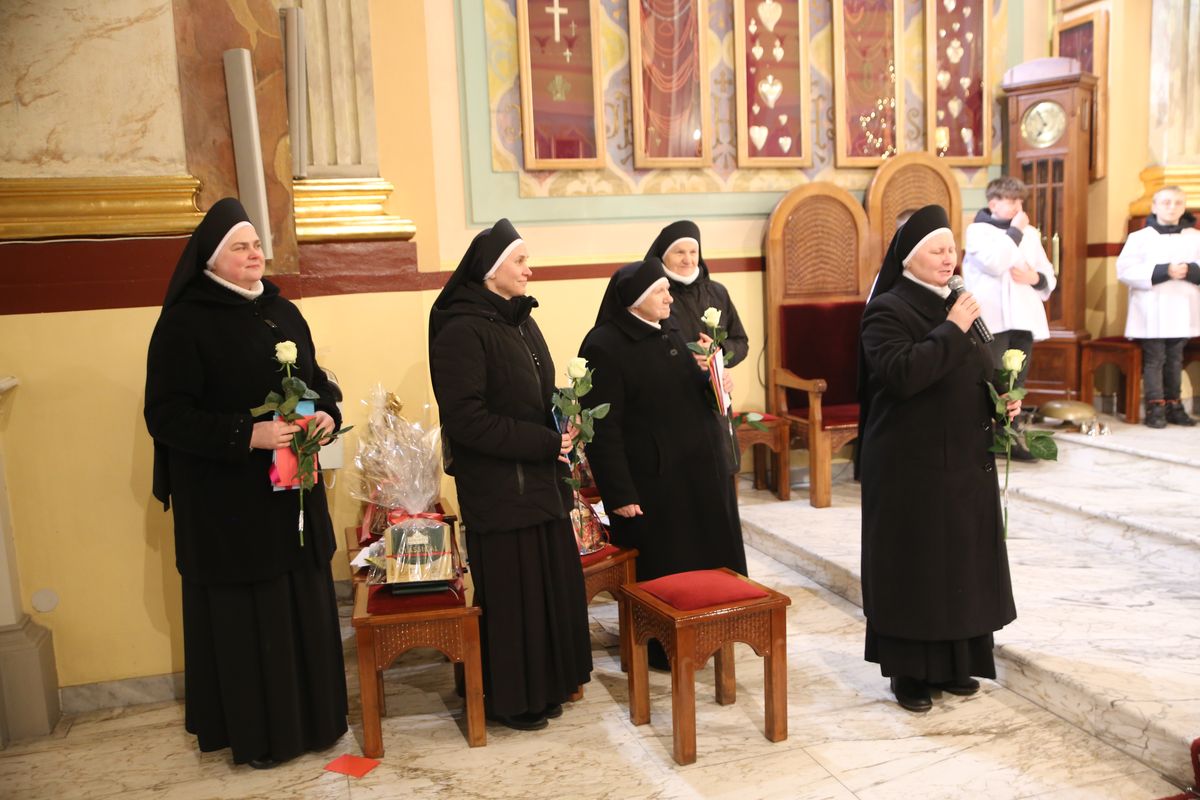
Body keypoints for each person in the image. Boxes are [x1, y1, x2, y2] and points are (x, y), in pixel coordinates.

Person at [144, 198, 347, 768]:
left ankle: (318, 722)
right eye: (241, 247)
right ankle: (264, 738)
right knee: (254, 619)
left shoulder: (283, 311)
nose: (255, 254)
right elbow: (166, 415)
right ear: (211, 258)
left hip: (292, 492)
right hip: (229, 506)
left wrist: (326, 414)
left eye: (257, 244)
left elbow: (316, 382)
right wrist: (246, 434)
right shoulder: (185, 322)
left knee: (301, 604)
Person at [428, 219, 592, 731]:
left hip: (539, 483)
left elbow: (534, 396)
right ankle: (514, 700)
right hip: (500, 491)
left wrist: (564, 422)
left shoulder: (521, 320)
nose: (528, 270)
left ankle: (547, 686)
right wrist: (544, 442)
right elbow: (467, 420)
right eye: (520, 261)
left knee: (545, 591)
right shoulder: (461, 329)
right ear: (491, 269)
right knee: (514, 599)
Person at [855, 205, 1019, 714]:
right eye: (938, 250)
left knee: (958, 565)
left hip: (963, 462)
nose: (950, 259)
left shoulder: (957, 303)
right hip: (911, 468)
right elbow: (903, 374)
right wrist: (951, 327)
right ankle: (909, 674)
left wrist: (1000, 398)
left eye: (952, 249)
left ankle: (955, 664)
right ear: (909, 258)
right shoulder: (887, 310)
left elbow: (978, 366)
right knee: (917, 568)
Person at [579, 258, 748, 669]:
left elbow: (693, 394)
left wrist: (717, 378)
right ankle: (663, 647)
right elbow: (602, 428)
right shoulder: (604, 345)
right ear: (635, 299)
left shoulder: (672, 330)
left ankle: (712, 635)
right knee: (667, 569)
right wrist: (619, 492)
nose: (670, 298)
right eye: (660, 291)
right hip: (653, 484)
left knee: (708, 561)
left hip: (699, 474)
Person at [963, 177, 1057, 459]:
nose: (1018, 206)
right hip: (992, 320)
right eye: (1011, 200)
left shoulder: (1029, 233)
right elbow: (994, 264)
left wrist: (1035, 278)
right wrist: (1015, 231)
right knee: (993, 381)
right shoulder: (977, 231)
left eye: (1020, 201)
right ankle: (981, 439)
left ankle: (1009, 439)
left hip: (1023, 317)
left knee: (1017, 382)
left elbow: (1046, 272)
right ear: (993, 203)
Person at [1116, 185, 1200, 428]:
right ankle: (1155, 407)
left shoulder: (1195, 237)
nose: (1172, 207)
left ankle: (1174, 405)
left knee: (1175, 359)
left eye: (1177, 203)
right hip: (1151, 308)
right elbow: (1125, 270)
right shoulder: (1140, 238)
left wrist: (1190, 270)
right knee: (1155, 359)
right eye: (1166, 202)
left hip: (1183, 306)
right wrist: (1165, 270)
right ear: (1154, 207)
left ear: (1184, 207)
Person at [645, 220, 750, 370]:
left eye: (693, 252)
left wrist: (719, 350)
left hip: (713, 383)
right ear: (663, 255)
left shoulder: (718, 292)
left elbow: (740, 342)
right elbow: (642, 352)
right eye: (680, 252)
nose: (688, 260)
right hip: (670, 383)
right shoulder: (651, 295)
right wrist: (686, 359)